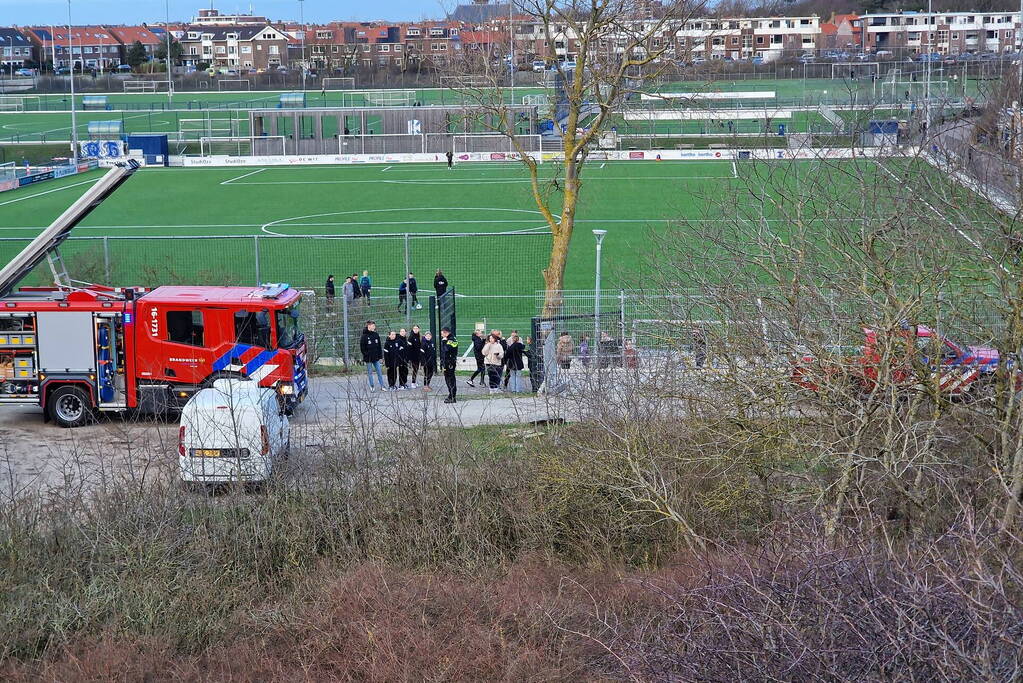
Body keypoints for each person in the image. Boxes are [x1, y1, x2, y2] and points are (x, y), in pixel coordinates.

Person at [360, 321, 385, 391]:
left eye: (374, 326)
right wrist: (367, 355)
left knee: (379, 371)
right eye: (373, 326)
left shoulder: (376, 335)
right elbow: (362, 348)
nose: (374, 327)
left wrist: (380, 356)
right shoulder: (364, 336)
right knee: (370, 372)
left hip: (376, 358)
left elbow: (379, 346)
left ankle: (382, 386)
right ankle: (372, 386)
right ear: (369, 326)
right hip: (368, 359)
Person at [440, 327, 458, 403]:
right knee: (448, 379)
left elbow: (446, 350)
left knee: (450, 379)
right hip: (447, 362)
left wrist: (444, 342)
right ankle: (451, 395)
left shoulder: (451, 340)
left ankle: (452, 396)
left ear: (446, 333)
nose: (441, 335)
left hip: (449, 362)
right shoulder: (450, 339)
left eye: (442, 333)